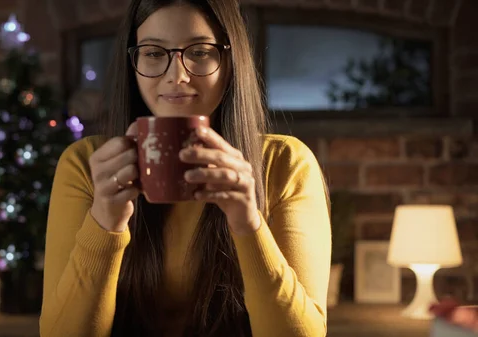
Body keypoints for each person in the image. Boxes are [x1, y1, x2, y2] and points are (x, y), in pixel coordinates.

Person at [39, 0, 331, 336]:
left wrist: (248, 224)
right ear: (132, 63)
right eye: (153, 53)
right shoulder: (87, 165)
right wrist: (105, 220)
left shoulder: (284, 165)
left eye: (200, 52)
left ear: (230, 61)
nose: (177, 76)